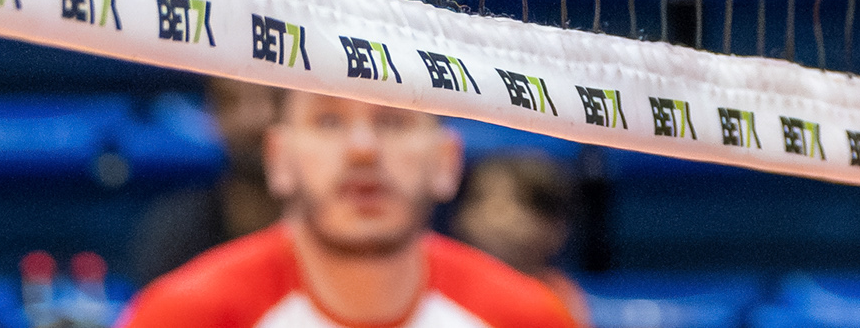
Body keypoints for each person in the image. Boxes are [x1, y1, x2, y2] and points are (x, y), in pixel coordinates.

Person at [122, 93, 571, 328]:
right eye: (329, 120)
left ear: (446, 161)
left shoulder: (530, 320)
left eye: (393, 120)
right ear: (279, 159)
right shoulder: (180, 317)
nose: (363, 149)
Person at [129, 76, 291, 281]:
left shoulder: (325, 227)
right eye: (229, 100)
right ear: (210, 110)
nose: (253, 119)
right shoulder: (176, 230)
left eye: (275, 100)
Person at [444, 148, 584, 324]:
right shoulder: (442, 285)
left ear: (554, 226)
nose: (490, 215)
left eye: (509, 204)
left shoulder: (556, 298)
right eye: (479, 198)